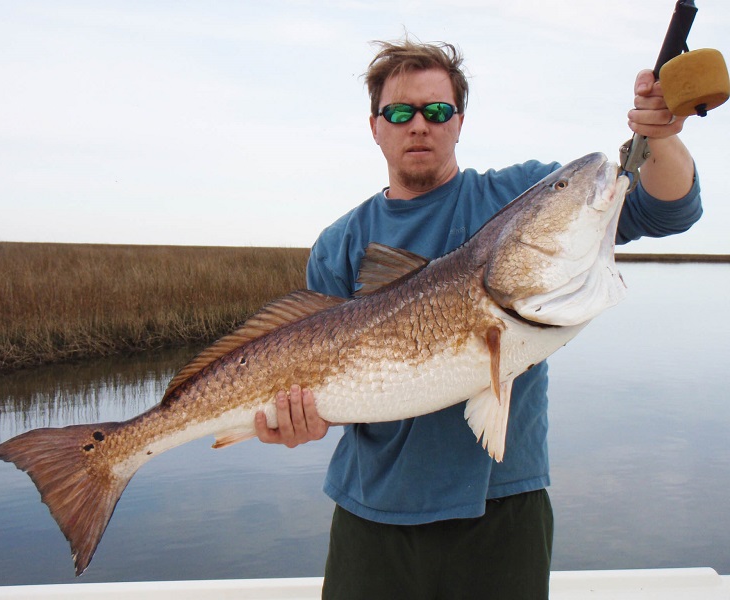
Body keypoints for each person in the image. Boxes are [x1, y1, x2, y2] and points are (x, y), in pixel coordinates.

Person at [254, 39, 702, 599]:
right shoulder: (340, 242)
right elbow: (319, 385)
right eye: (400, 112)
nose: (419, 124)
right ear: (375, 126)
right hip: (373, 516)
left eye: (437, 111)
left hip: (503, 510)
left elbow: (666, 209)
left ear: (459, 121)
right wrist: (296, 422)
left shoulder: (518, 195)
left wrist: (661, 136)